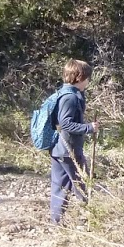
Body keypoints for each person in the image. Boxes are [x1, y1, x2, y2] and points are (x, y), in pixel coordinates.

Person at [50, 58, 98, 224]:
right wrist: (89, 128)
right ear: (80, 78)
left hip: (59, 149)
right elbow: (66, 123)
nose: (88, 81)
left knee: (60, 187)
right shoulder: (70, 98)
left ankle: (57, 223)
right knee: (82, 183)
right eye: (87, 78)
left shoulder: (65, 93)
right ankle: (87, 220)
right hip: (69, 150)